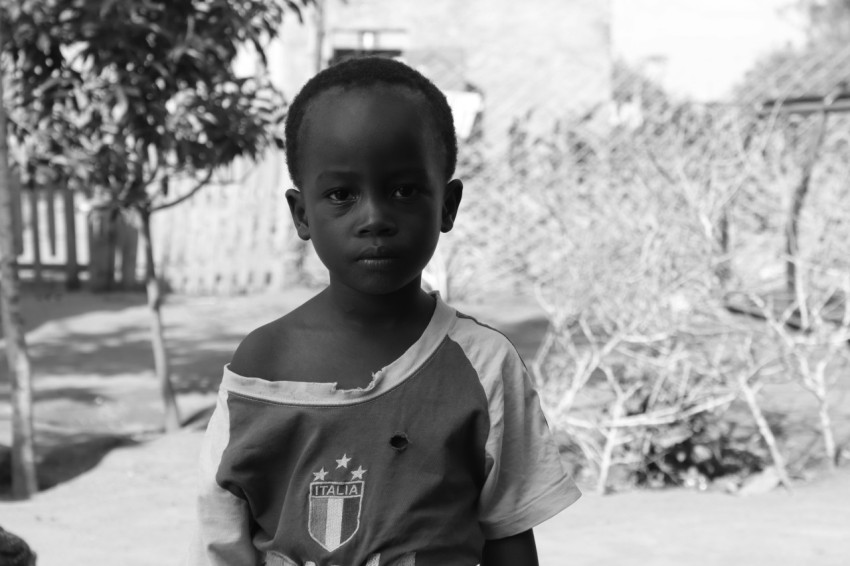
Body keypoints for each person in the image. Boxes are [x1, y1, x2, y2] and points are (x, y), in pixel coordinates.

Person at [185, 56, 580, 566]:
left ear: (448, 205)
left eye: (403, 190)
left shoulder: (484, 366)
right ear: (302, 213)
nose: (374, 218)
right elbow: (220, 533)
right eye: (342, 195)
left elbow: (508, 532)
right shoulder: (262, 367)